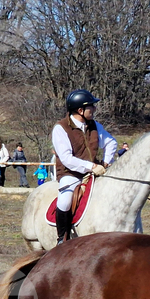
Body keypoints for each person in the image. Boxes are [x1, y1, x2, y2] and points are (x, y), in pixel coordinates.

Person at [52, 89, 118, 244]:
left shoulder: (94, 125)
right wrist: (92, 166)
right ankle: (62, 238)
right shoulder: (60, 128)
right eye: (91, 107)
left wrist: (105, 162)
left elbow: (111, 142)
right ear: (80, 110)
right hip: (70, 174)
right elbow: (67, 159)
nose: (94, 109)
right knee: (65, 201)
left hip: (94, 172)